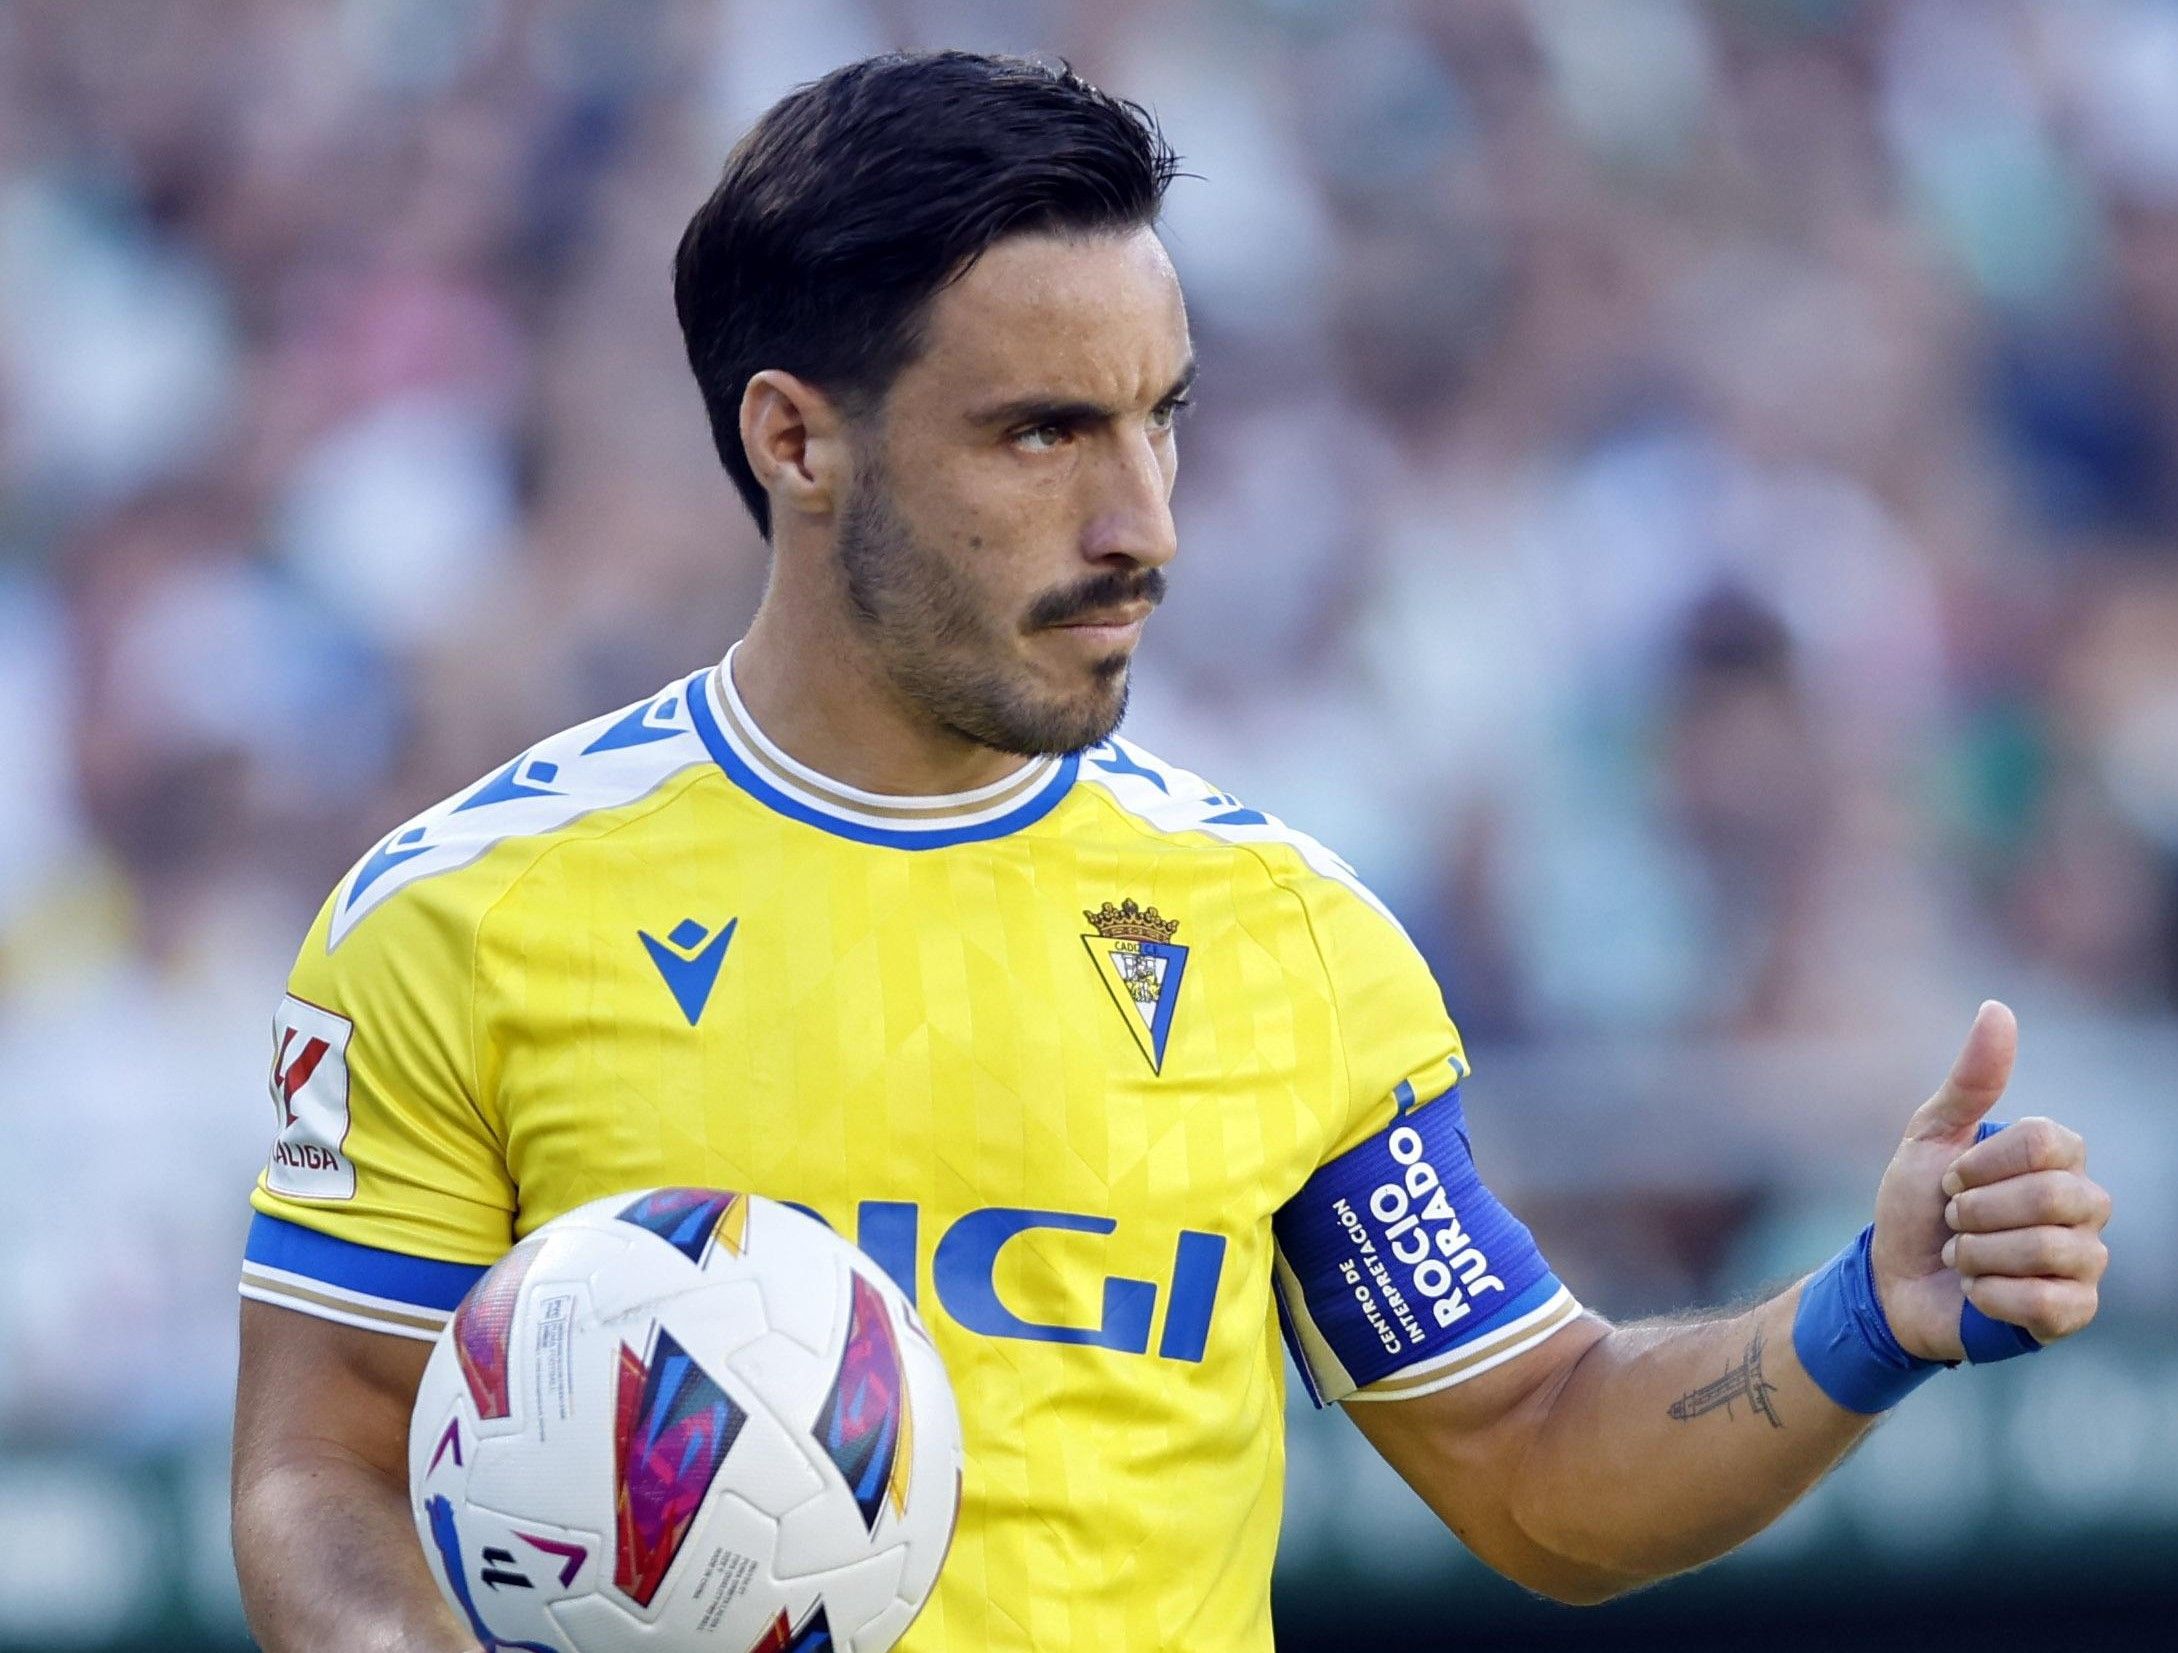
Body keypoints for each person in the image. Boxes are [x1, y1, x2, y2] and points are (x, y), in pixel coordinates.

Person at [229, 51, 2112, 1653]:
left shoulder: (1278, 933)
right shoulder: (461, 917)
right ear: (796, 441)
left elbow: (1539, 1453)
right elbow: (322, 1463)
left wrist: (1866, 1315)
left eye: (1161, 420)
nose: (1141, 522)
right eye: (1043, 431)